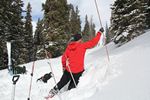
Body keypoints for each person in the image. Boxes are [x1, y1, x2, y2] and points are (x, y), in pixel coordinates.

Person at [46, 27, 104, 98]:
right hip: (78, 72)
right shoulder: (82, 46)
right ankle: (68, 95)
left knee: (62, 82)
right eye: (80, 39)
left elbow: (64, 58)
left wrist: (64, 67)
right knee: (72, 88)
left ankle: (51, 93)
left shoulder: (69, 47)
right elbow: (93, 42)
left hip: (68, 70)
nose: (81, 40)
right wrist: (99, 33)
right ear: (79, 40)